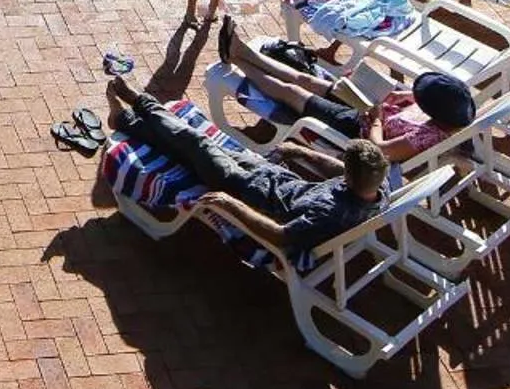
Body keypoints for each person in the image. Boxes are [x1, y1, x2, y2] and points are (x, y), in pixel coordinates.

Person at [107, 75, 387, 258]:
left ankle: (141, 102)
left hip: (244, 188)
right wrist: (301, 152)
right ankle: (125, 122)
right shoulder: (376, 185)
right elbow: (337, 170)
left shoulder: (328, 214)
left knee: (196, 143)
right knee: (192, 149)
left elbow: (280, 237)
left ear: (351, 178)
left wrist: (230, 204)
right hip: (269, 175)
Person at [217, 17, 478, 163]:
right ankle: (245, 52)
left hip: (357, 125)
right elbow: (425, 102)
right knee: (305, 79)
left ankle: (238, 58)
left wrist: (375, 121)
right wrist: (407, 95)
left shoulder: (426, 138)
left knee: (293, 92)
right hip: (368, 105)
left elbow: (381, 150)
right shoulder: (453, 109)